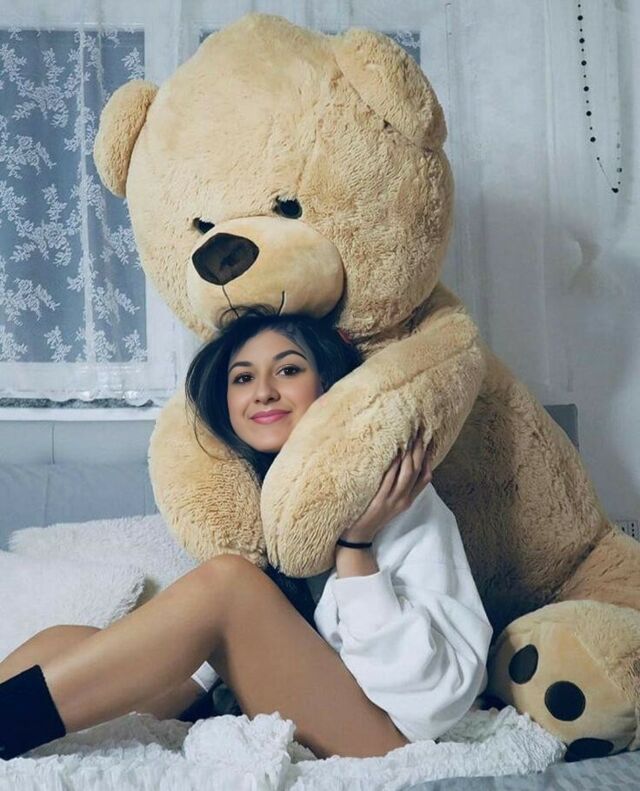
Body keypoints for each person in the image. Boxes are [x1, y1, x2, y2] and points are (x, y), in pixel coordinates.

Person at [0, 304, 492, 762]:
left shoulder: (400, 494)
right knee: (62, 643)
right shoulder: (254, 497)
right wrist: (185, 678)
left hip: (383, 735)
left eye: (289, 370)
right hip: (266, 701)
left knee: (229, 582)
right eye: (243, 378)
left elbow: (433, 703)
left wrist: (356, 550)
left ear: (328, 386)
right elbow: (261, 640)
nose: (263, 392)